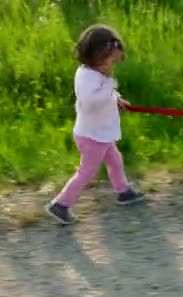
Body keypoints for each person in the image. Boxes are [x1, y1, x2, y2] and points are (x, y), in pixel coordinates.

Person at [45, 24, 144, 225]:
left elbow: (103, 95)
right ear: (95, 56)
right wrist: (109, 87)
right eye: (109, 60)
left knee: (115, 160)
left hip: (101, 134)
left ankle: (123, 191)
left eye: (114, 61)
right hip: (92, 136)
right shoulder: (86, 76)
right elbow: (90, 101)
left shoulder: (97, 74)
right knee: (86, 172)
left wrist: (116, 98)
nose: (111, 65)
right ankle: (61, 204)